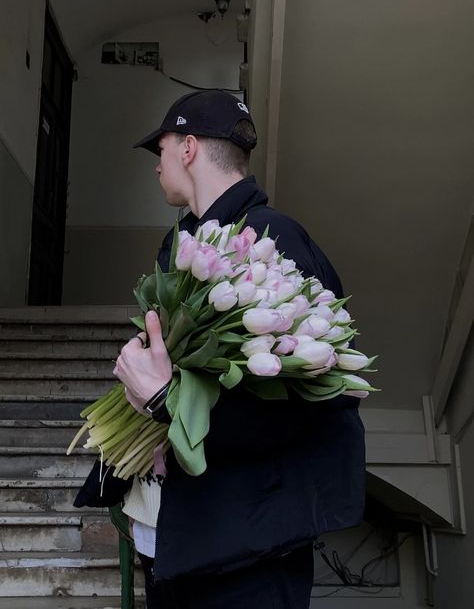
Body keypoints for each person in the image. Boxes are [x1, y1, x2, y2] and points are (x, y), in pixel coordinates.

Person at [112, 89, 366, 608]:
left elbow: (317, 398)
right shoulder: (184, 242)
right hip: (182, 536)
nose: (157, 167)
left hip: (245, 548)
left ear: (187, 148)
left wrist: (165, 402)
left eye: (159, 151)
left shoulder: (277, 239)